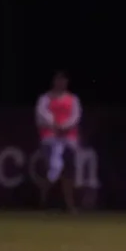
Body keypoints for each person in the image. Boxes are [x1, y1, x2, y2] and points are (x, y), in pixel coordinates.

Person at [35, 70, 81, 213]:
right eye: (58, 80)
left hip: (68, 141)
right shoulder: (45, 99)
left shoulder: (72, 99)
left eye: (63, 80)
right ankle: (44, 202)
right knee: (51, 171)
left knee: (68, 173)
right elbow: (41, 116)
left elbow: (75, 117)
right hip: (50, 139)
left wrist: (64, 127)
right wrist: (53, 125)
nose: (61, 83)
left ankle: (68, 204)